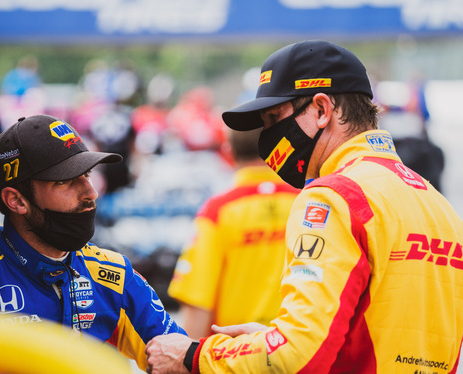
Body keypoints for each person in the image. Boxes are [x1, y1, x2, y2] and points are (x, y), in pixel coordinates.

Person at [145, 40, 463, 373]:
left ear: (322, 110)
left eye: (272, 119)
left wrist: (192, 357)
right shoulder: (436, 203)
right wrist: (271, 340)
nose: (267, 135)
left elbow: (297, 356)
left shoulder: (335, 197)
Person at [0, 114, 186, 372]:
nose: (90, 192)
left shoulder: (115, 275)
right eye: (65, 181)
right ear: (16, 200)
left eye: (87, 175)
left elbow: (178, 359)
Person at [167, 128, 300, 339]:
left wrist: (187, 363)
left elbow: (197, 300)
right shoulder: (308, 203)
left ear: (228, 151)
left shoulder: (217, 212)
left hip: (235, 356)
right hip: (299, 351)